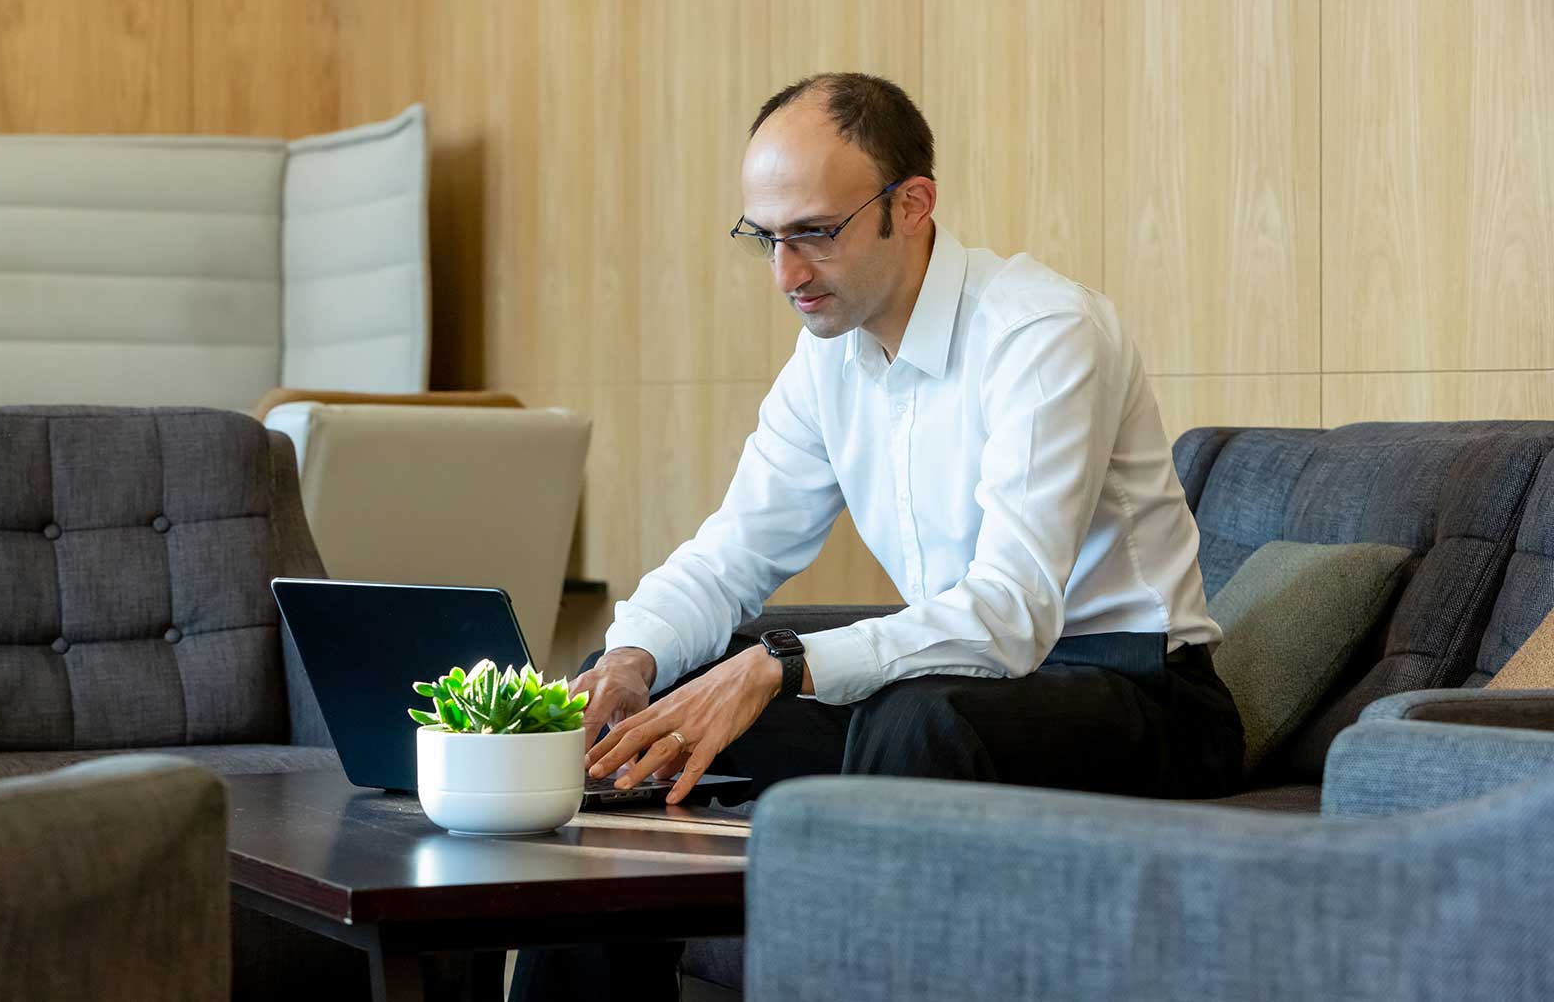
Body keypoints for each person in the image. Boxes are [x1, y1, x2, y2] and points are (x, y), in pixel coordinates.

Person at [508, 72, 1243, 1001]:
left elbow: (1010, 613)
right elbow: (733, 548)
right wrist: (631, 659)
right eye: (766, 239)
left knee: (913, 719)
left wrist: (780, 661)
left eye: (815, 232)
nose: (787, 274)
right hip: (956, 689)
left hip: (1139, 694)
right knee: (647, 721)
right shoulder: (828, 359)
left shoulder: (1043, 331)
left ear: (913, 203)